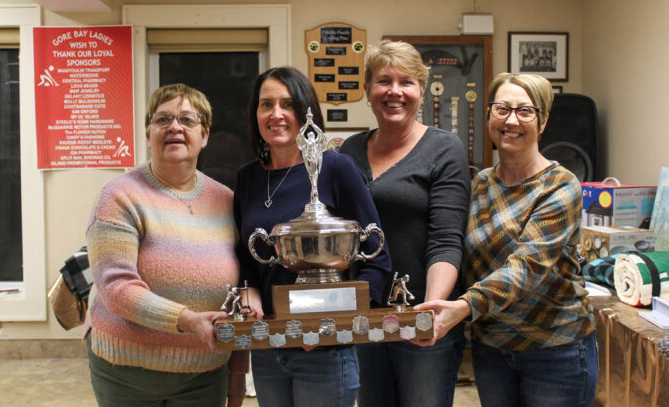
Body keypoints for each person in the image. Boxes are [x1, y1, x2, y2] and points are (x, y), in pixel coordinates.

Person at [417, 72, 598, 407]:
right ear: (489, 116)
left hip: (554, 352)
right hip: (492, 350)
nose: (511, 120)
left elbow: (527, 267)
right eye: (502, 109)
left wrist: (464, 306)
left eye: (525, 111)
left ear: (542, 123)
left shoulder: (561, 185)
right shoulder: (480, 184)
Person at [234, 66, 392, 407]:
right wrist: (250, 295)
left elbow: (375, 255)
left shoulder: (337, 168)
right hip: (269, 345)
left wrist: (333, 327)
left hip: (324, 351)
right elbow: (246, 255)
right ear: (255, 114)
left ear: (305, 113)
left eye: (287, 104)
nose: (276, 114)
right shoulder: (247, 178)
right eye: (266, 105)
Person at [84, 83, 247, 407]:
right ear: (148, 134)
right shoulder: (118, 196)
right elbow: (117, 288)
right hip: (126, 373)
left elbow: (240, 293)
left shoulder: (227, 201)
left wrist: (238, 372)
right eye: (163, 119)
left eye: (187, 120)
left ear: (205, 136)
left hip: (205, 373)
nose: (174, 126)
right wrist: (188, 321)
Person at [339, 40, 471, 407]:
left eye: (406, 82)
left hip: (421, 315)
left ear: (421, 91)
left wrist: (431, 311)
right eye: (383, 81)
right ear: (367, 91)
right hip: (364, 316)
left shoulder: (444, 150)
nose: (394, 91)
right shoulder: (348, 151)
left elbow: (446, 239)